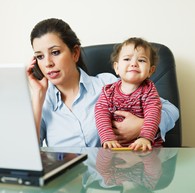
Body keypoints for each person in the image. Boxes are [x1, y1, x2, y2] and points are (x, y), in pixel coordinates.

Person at [27, 18, 179, 148]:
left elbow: (170, 110)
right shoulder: (42, 102)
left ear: (75, 53)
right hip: (66, 179)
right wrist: (38, 96)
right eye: (40, 56)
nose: (47, 63)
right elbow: (28, 152)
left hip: (111, 176)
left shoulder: (108, 85)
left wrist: (143, 127)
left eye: (55, 52)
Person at [95, 37, 163, 151]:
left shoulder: (149, 90)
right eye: (127, 59)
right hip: (116, 148)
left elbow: (153, 113)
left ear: (150, 71)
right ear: (116, 68)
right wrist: (107, 138)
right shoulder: (107, 92)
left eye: (141, 60)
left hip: (144, 148)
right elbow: (101, 114)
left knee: (153, 167)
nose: (134, 64)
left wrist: (145, 137)